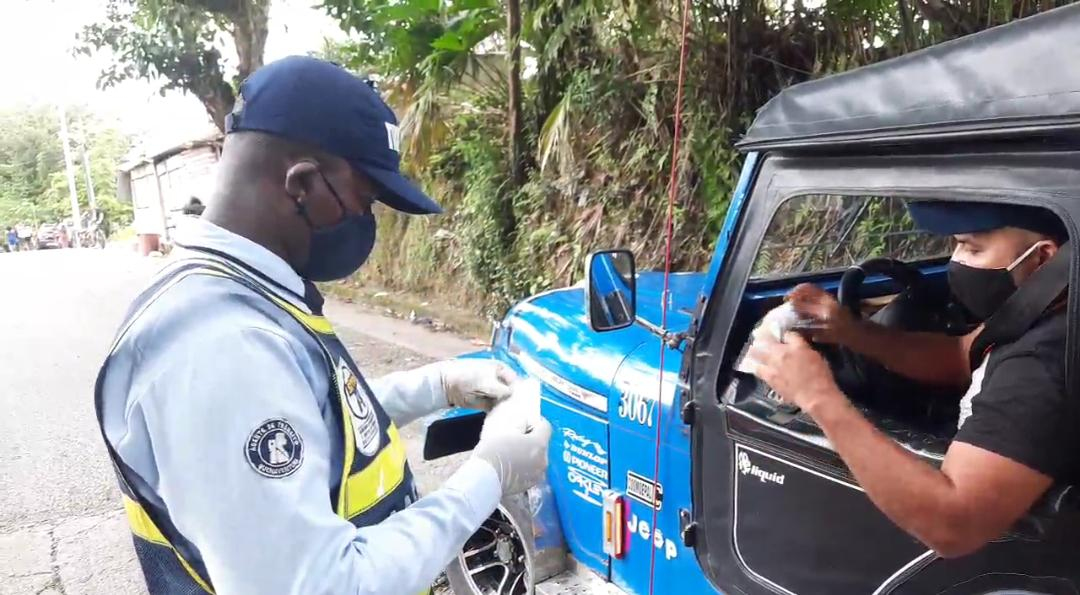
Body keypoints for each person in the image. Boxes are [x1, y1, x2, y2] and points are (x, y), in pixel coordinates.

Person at [95, 56, 552, 595]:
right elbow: (323, 585)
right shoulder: (221, 346)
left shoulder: (240, 295)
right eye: (364, 202)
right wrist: (488, 477)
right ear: (303, 184)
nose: (368, 224)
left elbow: (309, 424)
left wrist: (437, 385)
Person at [747, 201, 1073, 559]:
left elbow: (955, 524)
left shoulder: (1043, 362)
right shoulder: (1046, 305)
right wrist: (853, 332)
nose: (957, 261)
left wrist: (816, 395)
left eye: (972, 247)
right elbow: (962, 355)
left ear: (1042, 258)